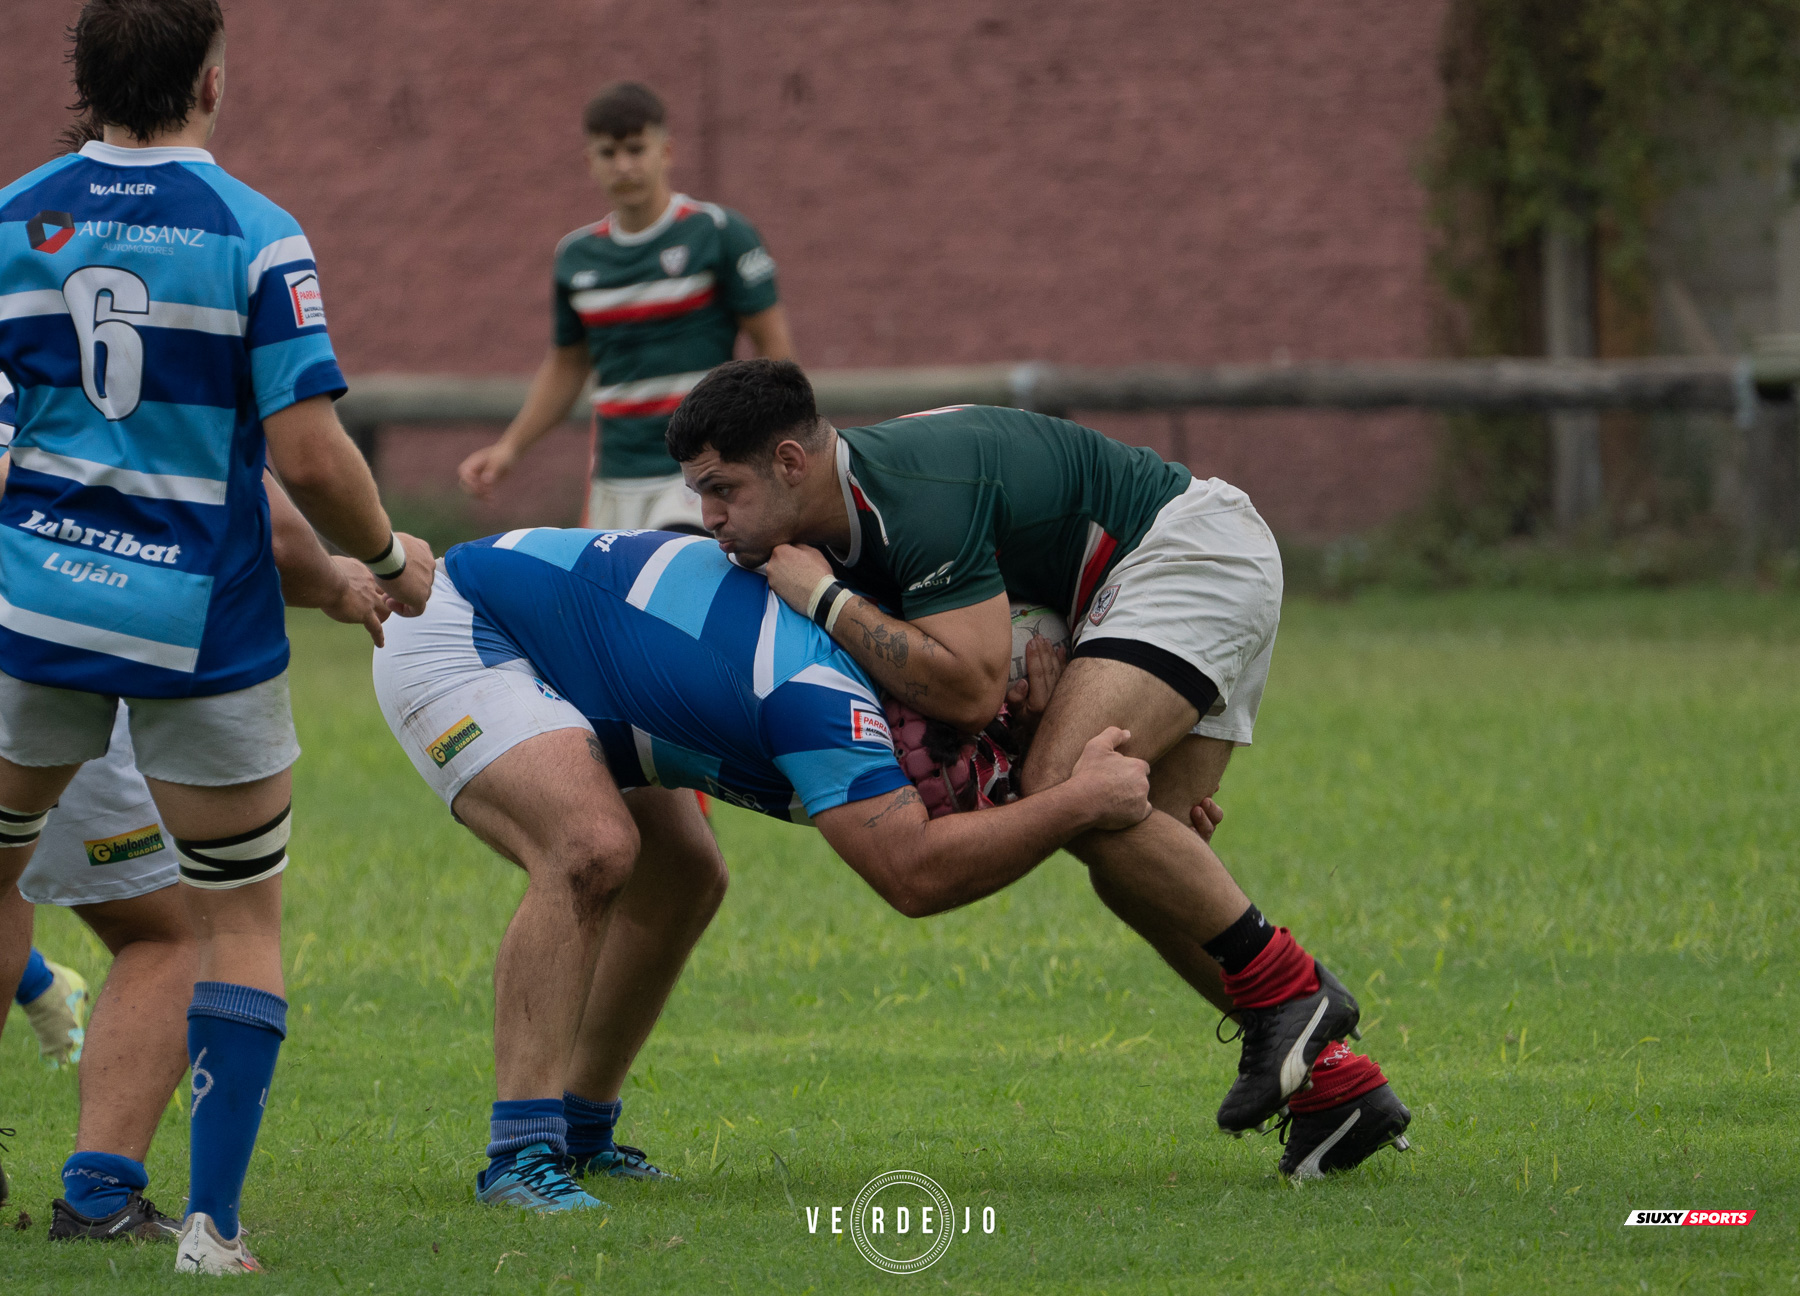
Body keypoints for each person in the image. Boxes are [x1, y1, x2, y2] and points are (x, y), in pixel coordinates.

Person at [664, 359, 1413, 1178]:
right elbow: (986, 673)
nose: (709, 516)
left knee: (1070, 793)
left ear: (788, 463)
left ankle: (1296, 991)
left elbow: (971, 685)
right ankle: (1339, 1094)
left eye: (721, 489)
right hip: (1129, 589)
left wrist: (827, 601)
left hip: (1186, 556)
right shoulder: (836, 521)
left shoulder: (910, 498)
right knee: (1133, 853)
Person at [0, 1, 433, 1273]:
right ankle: (211, 1228)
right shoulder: (256, 233)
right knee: (234, 920)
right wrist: (389, 554)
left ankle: (106, 1190)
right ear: (211, 77)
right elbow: (305, 450)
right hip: (201, 630)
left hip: (34, 615)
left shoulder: (14, 216)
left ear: (85, 81)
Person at [371, 526, 1153, 1210]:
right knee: (589, 849)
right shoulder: (816, 689)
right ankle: (519, 1156)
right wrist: (1078, 802)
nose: (998, 709)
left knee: (684, 880)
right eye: (996, 693)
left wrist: (1082, 769)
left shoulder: (888, 661)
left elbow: (982, 798)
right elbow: (915, 874)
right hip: (458, 623)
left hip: (576, 653)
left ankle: (579, 1134)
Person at [458, 81, 794, 534]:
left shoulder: (718, 233)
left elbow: (773, 352)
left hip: (700, 468)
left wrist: (778, 443)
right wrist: (509, 448)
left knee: (673, 587)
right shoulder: (575, 257)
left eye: (636, 149)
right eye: (609, 153)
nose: (624, 166)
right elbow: (567, 366)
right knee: (611, 599)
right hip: (615, 474)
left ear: (666, 151)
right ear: (589, 162)